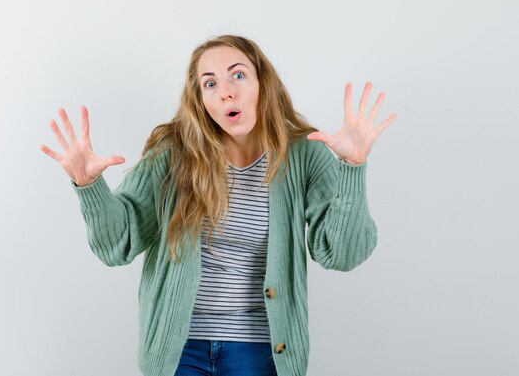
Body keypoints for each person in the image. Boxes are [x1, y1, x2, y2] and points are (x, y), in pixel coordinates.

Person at [40, 34, 396, 376]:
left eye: (238, 75)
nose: (225, 92)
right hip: (179, 351)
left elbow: (343, 254)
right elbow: (117, 245)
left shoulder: (303, 154)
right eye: (210, 84)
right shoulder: (173, 153)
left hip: (260, 351)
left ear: (262, 85)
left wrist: (353, 167)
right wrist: (89, 185)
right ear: (201, 100)